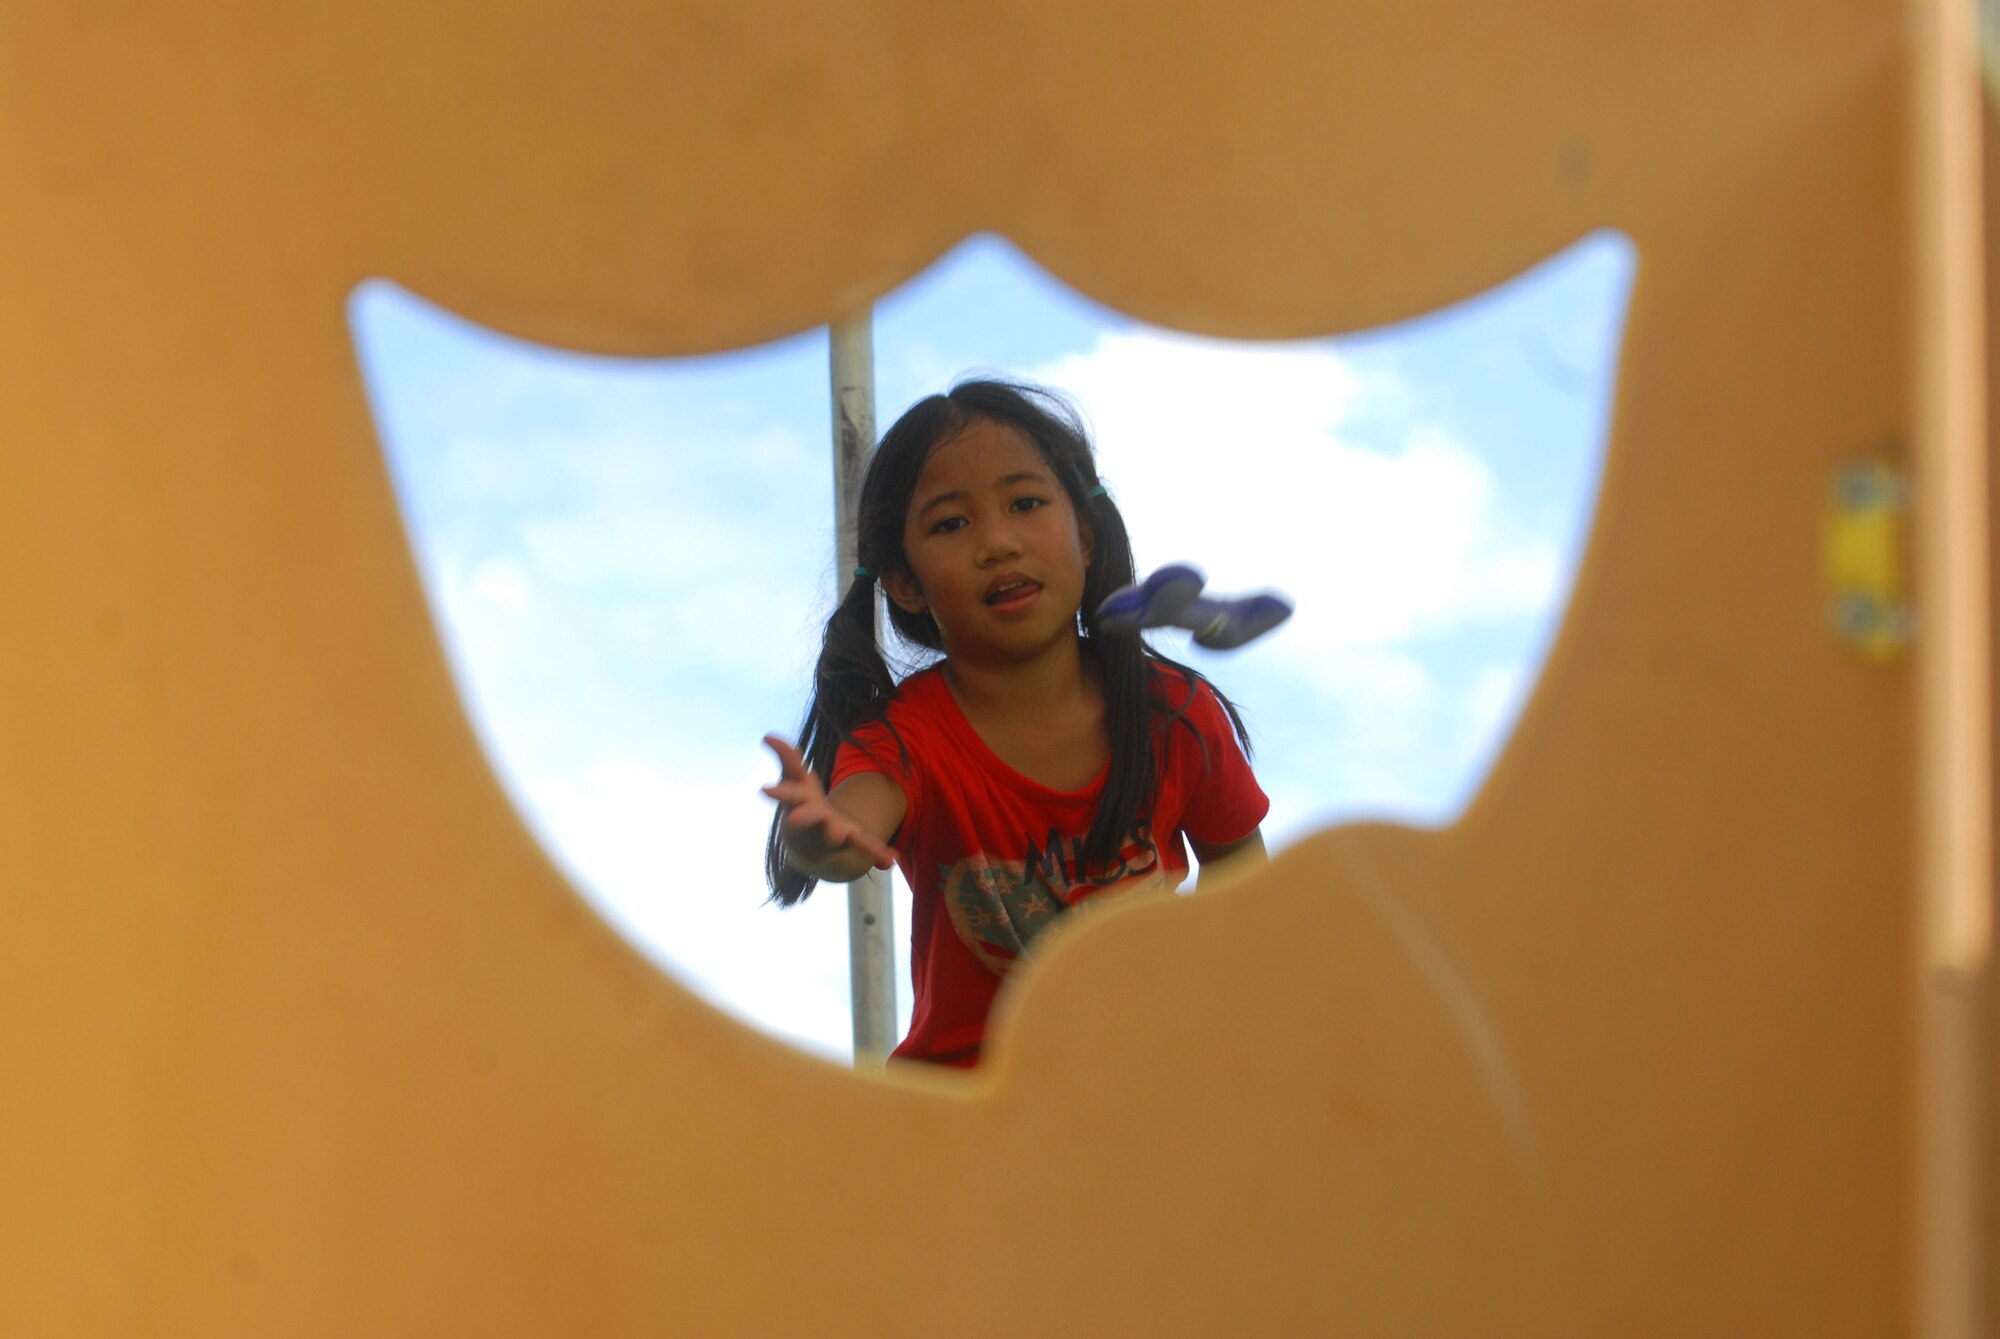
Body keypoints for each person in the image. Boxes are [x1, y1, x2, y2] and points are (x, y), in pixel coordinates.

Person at [761, 379, 1269, 1068]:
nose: (998, 542)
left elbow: (1242, 874)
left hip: (1150, 1085)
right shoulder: (908, 739)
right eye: (950, 523)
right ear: (906, 583)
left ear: (1084, 538)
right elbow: (851, 832)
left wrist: (1204, 997)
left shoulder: (1172, 711)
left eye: (1025, 504)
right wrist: (818, 836)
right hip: (967, 1116)